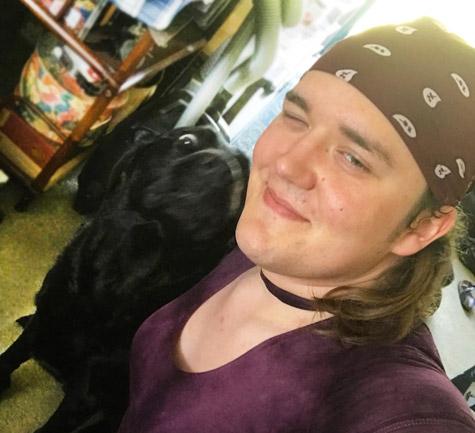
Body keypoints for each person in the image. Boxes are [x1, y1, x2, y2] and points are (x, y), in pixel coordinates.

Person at [117, 18, 475, 433]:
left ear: (421, 228)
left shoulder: (391, 402)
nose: (286, 164)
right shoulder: (275, 246)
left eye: (353, 158)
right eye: (295, 117)